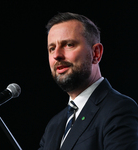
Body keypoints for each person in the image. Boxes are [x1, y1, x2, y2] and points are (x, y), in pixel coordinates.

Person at [38, 12, 138, 150]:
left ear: (96, 53)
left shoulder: (120, 109)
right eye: (52, 48)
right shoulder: (53, 126)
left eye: (68, 44)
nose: (57, 55)